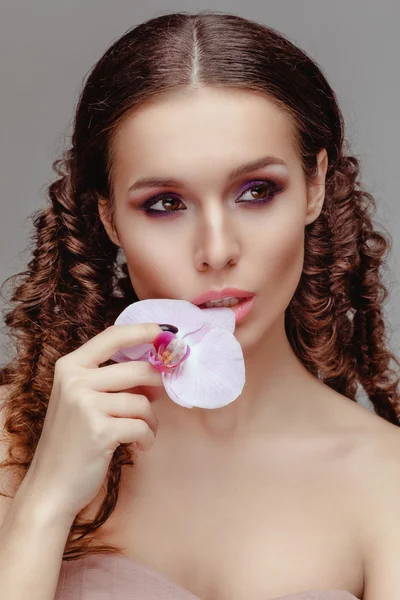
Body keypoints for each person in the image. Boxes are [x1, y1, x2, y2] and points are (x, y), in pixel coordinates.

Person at [0, 9, 398, 600]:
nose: (216, 250)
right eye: (164, 203)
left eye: (257, 192)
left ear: (315, 186)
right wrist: (45, 501)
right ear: (108, 215)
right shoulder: (17, 437)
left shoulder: (387, 482)